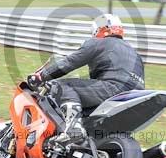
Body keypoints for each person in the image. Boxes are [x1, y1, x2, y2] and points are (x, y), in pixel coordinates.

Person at [27, 13, 145, 142]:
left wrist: (41, 75)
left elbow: (69, 62)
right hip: (136, 95)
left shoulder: (99, 43)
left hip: (113, 89)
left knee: (62, 85)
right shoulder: (134, 53)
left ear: (99, 30)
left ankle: (74, 129)